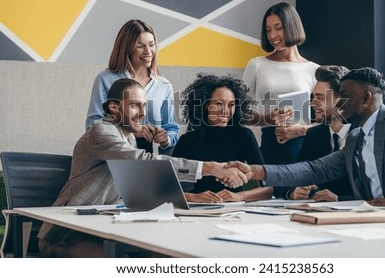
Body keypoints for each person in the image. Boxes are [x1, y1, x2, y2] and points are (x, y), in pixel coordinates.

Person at [38, 78, 248, 257]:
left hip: (101, 229)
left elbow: (140, 192)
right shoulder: (102, 131)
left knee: (166, 253)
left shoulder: (128, 140)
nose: (142, 113)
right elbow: (144, 161)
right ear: (114, 107)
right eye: (135, 105)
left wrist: (194, 198)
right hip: (64, 235)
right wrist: (210, 167)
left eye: (144, 106)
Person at [229, 67, 385, 212]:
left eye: (344, 95)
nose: (338, 102)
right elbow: (314, 170)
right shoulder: (355, 139)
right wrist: (256, 171)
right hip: (380, 222)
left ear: (366, 98)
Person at [172, 74, 273, 203]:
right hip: (198, 208)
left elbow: (268, 189)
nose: (225, 111)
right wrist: (195, 197)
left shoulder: (244, 135)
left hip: (235, 209)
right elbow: (166, 190)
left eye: (231, 105)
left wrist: (238, 196)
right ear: (205, 105)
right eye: (219, 104)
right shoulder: (187, 140)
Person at [86, 19, 179, 154]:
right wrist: (132, 131)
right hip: (113, 155)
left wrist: (166, 138)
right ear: (126, 48)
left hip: (147, 158)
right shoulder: (105, 79)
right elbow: (92, 127)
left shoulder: (163, 86)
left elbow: (172, 128)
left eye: (152, 45)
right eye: (140, 46)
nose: (148, 52)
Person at [242, 2, 319, 164]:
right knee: (272, 189)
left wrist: (303, 130)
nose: (273, 35)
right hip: (271, 148)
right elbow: (239, 114)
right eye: (268, 30)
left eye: (278, 28)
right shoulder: (256, 64)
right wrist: (268, 119)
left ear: (292, 26)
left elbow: (330, 120)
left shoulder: (313, 70)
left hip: (305, 149)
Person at [274, 65, 354, 202]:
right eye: (313, 97)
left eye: (320, 98)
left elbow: (377, 191)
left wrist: (339, 199)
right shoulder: (314, 135)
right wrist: (293, 192)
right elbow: (290, 179)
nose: (312, 104)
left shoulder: (364, 134)